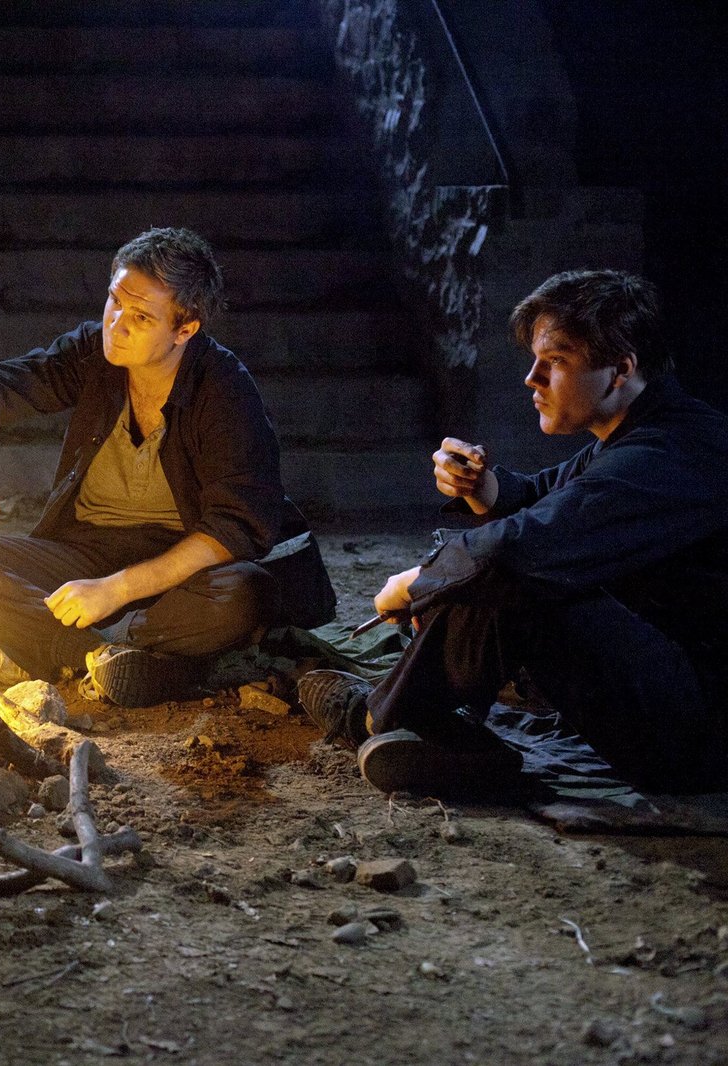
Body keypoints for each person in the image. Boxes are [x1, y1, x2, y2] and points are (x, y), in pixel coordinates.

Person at [300, 270, 728, 796]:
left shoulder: (671, 451)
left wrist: (418, 582)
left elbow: (522, 546)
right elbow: (546, 496)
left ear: (620, 370)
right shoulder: (642, 431)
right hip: (679, 695)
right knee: (490, 560)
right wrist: (481, 485)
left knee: (509, 572)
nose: (532, 378)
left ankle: (379, 717)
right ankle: (435, 730)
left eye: (556, 361)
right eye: (535, 359)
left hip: (701, 734)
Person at [0, 227, 333, 707]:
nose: (117, 323)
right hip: (86, 551)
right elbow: (13, 387)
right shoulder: (95, 353)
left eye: (141, 317)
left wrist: (114, 591)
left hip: (181, 573)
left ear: (185, 329)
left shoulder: (224, 390)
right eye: (114, 301)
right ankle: (102, 655)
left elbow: (233, 529)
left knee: (243, 595)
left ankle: (95, 645)